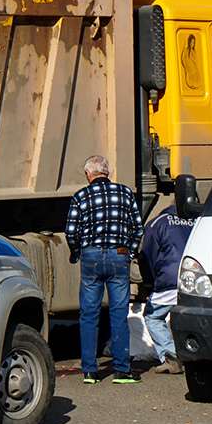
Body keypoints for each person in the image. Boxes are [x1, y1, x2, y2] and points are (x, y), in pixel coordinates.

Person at [65, 154, 143, 384]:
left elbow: (71, 231)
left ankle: (90, 371)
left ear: (89, 174)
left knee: (89, 315)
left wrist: (78, 251)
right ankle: (122, 370)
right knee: (118, 314)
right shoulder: (126, 193)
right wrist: (128, 252)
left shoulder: (81, 196)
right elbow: (138, 229)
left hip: (91, 257)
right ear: (106, 173)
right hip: (119, 256)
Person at [137, 177, 195, 375]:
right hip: (195, 279)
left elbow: (147, 255)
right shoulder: (197, 221)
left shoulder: (157, 223)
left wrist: (150, 283)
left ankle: (170, 358)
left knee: (153, 316)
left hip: (169, 279)